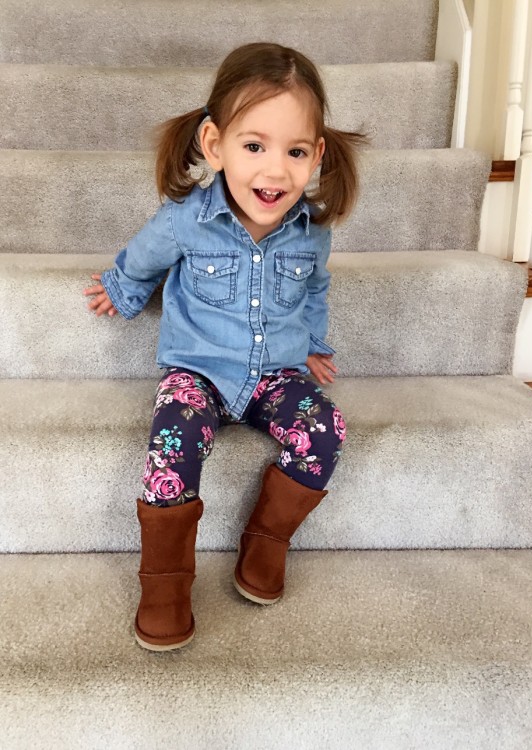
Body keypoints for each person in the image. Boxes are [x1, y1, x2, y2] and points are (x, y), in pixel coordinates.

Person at [83, 42, 369, 652]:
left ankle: (266, 543)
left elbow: (315, 290)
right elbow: (144, 257)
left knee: (327, 431)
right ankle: (164, 584)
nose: (274, 171)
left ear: (317, 156)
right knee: (171, 448)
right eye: (254, 146)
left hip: (277, 374)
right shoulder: (185, 219)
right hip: (200, 372)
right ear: (214, 145)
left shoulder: (313, 234)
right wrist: (122, 290)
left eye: (295, 152)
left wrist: (314, 343)